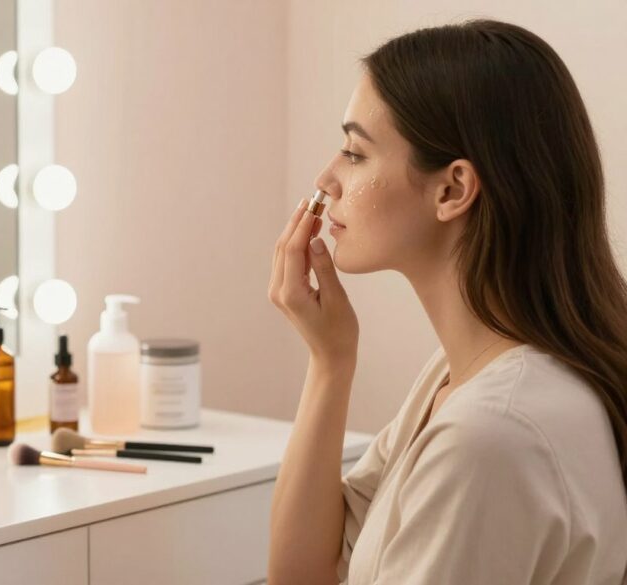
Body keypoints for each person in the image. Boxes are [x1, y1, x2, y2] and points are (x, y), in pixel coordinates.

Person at [267, 20, 627, 584]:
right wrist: (330, 362)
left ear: (453, 189)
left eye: (354, 152)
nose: (326, 179)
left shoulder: (488, 434)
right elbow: (307, 572)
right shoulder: (463, 376)